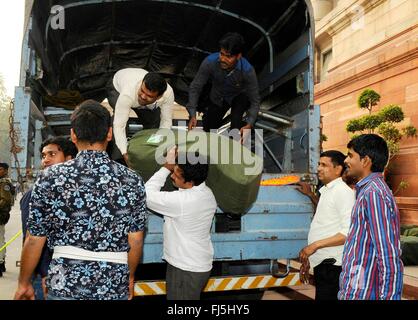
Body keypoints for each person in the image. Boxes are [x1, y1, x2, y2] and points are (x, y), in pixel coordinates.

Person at [14, 100, 147, 300]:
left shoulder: (50, 177)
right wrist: (129, 277)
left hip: (64, 282)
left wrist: (24, 283)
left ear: (73, 135)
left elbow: (34, 239)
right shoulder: (132, 179)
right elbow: (135, 239)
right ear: (109, 134)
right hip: (112, 283)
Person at [145, 148, 217, 300]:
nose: (172, 176)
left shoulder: (183, 202)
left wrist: (166, 167)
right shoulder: (207, 193)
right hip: (196, 265)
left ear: (190, 182)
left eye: (176, 175)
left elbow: (145, 194)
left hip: (185, 269)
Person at [339, 134, 403, 300]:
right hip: (356, 289)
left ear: (365, 161)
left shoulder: (374, 194)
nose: (346, 160)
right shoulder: (366, 191)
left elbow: (388, 255)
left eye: (350, 155)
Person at [20, 137, 77, 299]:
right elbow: (32, 238)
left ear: (69, 159)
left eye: (52, 154)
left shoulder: (75, 193)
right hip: (44, 276)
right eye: (44, 156)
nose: (46, 160)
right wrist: (45, 273)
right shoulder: (34, 194)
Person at [297, 151, 355, 300]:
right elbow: (328, 215)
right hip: (324, 265)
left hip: (334, 266)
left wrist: (314, 246)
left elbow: (348, 232)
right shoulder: (329, 190)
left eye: (324, 165)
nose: (318, 169)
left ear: (338, 169)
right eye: (318, 164)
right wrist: (311, 195)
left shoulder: (343, 192)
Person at [187, 32, 260, 142]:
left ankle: (235, 152)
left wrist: (250, 123)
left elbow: (255, 100)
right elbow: (196, 86)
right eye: (222, 54)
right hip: (217, 97)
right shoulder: (210, 62)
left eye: (228, 56)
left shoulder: (248, 71)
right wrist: (192, 113)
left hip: (239, 96)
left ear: (238, 56)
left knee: (236, 128)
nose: (223, 59)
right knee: (208, 128)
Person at [108, 68, 175, 164]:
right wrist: (124, 153)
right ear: (142, 83)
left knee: (154, 122)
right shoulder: (127, 93)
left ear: (159, 96)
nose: (143, 96)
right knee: (119, 120)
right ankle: (118, 160)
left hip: (143, 102)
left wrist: (156, 144)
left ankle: (148, 152)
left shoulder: (168, 94)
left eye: (149, 95)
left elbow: (166, 121)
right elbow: (119, 125)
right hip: (116, 88)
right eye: (142, 90)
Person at [0, 163, 14, 278]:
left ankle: (0, 263)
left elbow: (5, 200)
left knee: (0, 240)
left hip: (0, 215)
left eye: (0, 169)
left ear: (5, 171)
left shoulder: (4, 183)